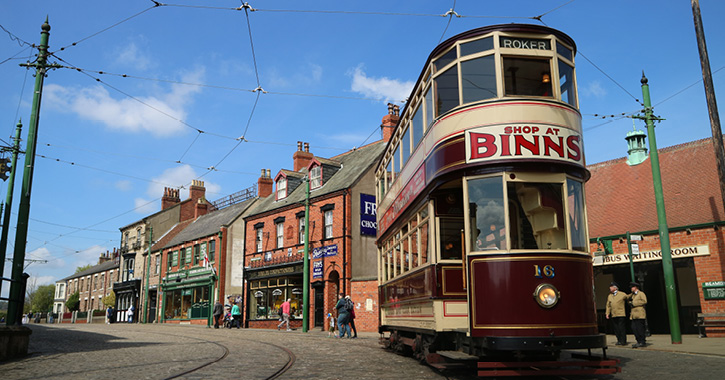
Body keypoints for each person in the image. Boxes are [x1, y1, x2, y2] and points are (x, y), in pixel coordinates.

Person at [605, 282, 628, 346]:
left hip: (620, 313)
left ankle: (623, 341)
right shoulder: (610, 296)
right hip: (613, 314)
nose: (610, 288)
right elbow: (608, 305)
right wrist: (607, 313)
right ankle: (619, 340)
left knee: (621, 328)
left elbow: (628, 298)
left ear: (615, 288)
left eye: (611, 287)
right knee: (616, 328)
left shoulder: (622, 294)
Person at [628, 282, 648, 348]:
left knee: (640, 328)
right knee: (634, 328)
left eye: (632, 287)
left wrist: (634, 303)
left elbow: (644, 301)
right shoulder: (632, 295)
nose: (631, 289)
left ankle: (642, 341)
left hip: (639, 314)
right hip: (633, 314)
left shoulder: (641, 294)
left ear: (635, 287)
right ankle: (638, 341)